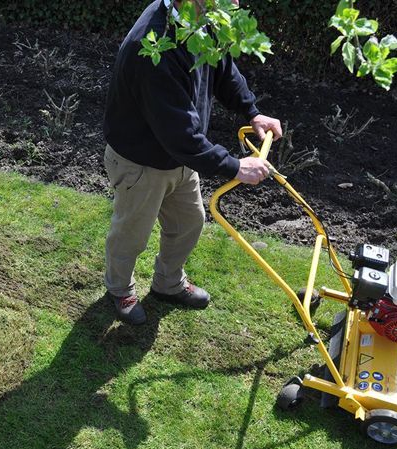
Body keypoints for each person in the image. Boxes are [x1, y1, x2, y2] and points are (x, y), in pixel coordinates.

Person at [102, 0, 282, 325]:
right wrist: (236, 167)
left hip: (179, 157)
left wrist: (252, 110)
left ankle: (168, 284)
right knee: (132, 234)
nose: (236, 3)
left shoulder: (200, 20)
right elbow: (181, 135)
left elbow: (221, 66)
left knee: (190, 222)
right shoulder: (153, 48)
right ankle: (119, 289)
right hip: (141, 161)